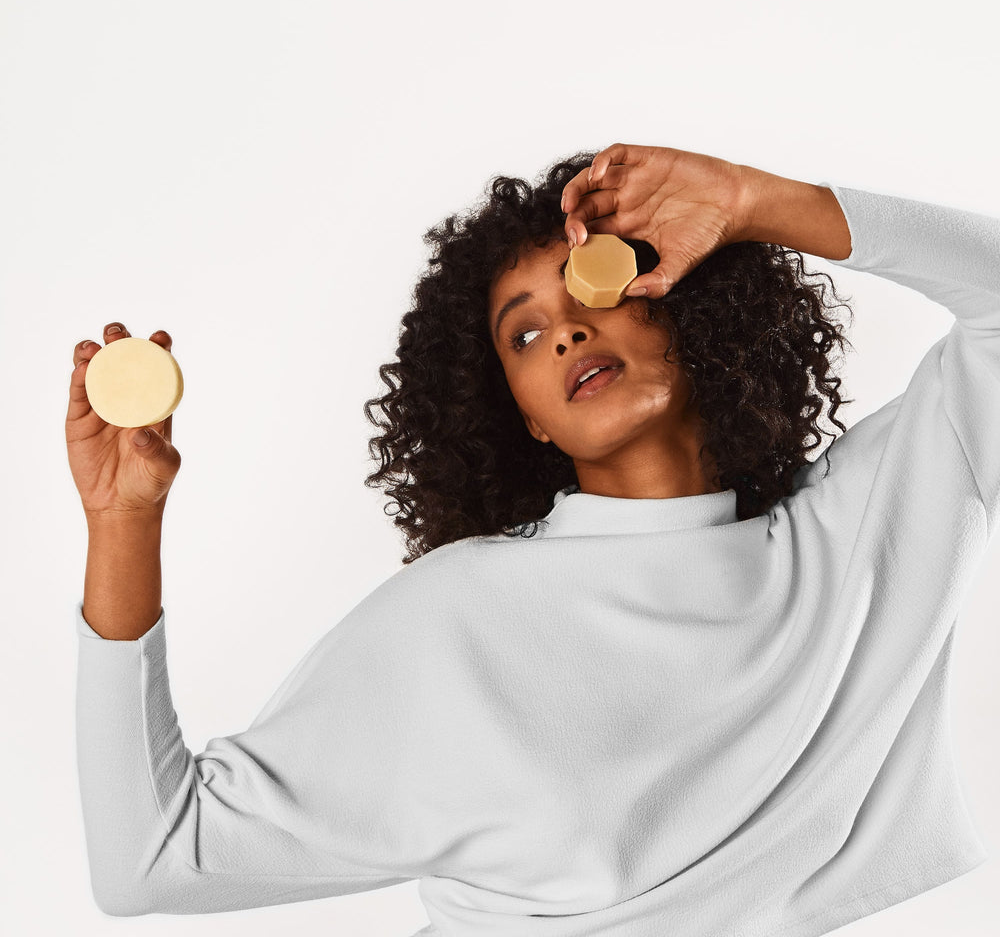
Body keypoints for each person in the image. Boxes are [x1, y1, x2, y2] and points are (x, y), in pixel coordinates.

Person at [67, 144, 999, 936]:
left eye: (598, 284)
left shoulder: (856, 532)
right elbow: (150, 858)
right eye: (523, 336)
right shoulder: (460, 616)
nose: (566, 332)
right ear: (528, 422)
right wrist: (122, 523)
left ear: (685, 300)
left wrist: (754, 202)